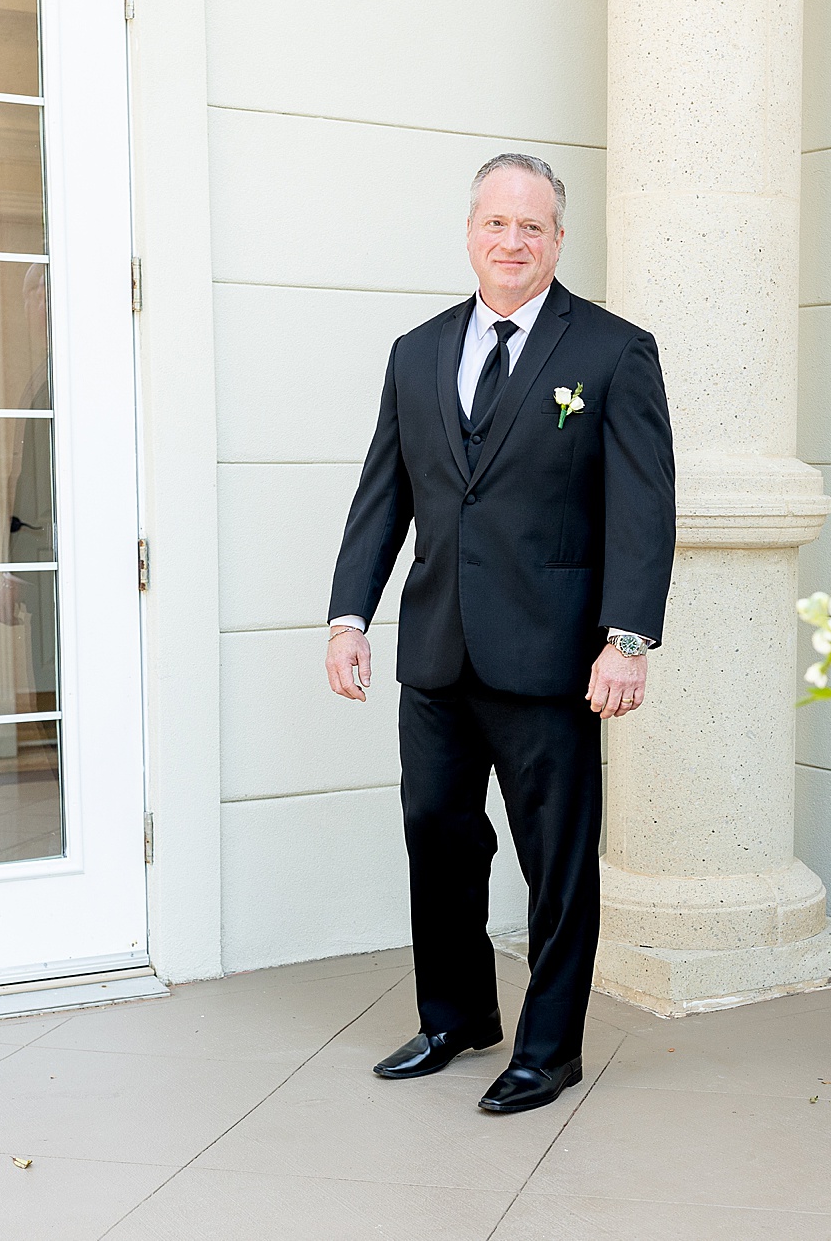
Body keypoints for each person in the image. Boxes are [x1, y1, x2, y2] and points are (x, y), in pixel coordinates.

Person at [326, 154, 675, 1114]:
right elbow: (382, 496)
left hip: (555, 659)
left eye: (532, 227)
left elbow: (643, 509)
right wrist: (350, 615)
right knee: (437, 840)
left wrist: (628, 639)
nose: (512, 243)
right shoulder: (416, 352)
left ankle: (549, 1048)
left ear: (559, 240)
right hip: (436, 653)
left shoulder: (612, 352)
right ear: (470, 233)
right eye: (496, 225)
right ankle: (456, 1016)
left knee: (555, 862)